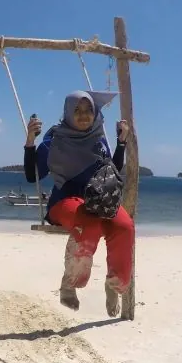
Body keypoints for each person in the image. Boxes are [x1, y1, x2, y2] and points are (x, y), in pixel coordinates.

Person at [24, 90, 136, 316]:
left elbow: (111, 171)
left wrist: (121, 142)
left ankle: (113, 284)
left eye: (88, 111)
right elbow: (31, 174)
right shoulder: (54, 142)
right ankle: (71, 283)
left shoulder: (98, 139)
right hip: (64, 201)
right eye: (77, 110)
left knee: (125, 227)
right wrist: (29, 141)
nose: (84, 116)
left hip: (98, 201)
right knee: (88, 224)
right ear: (67, 112)